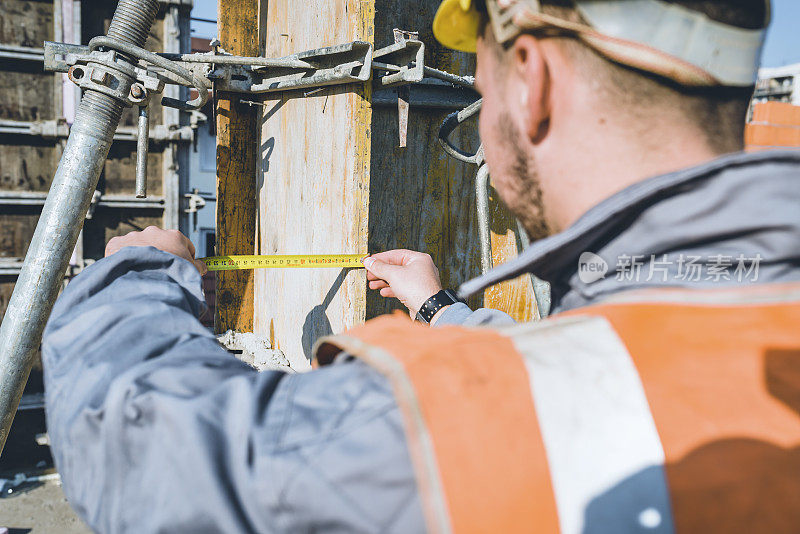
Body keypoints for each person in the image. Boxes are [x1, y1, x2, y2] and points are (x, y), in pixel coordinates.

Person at [42, 0, 800, 532]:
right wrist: (443, 311)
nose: (478, 98)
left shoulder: (458, 423)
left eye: (482, 83)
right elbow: (621, 365)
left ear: (530, 81)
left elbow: (142, 451)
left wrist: (137, 280)